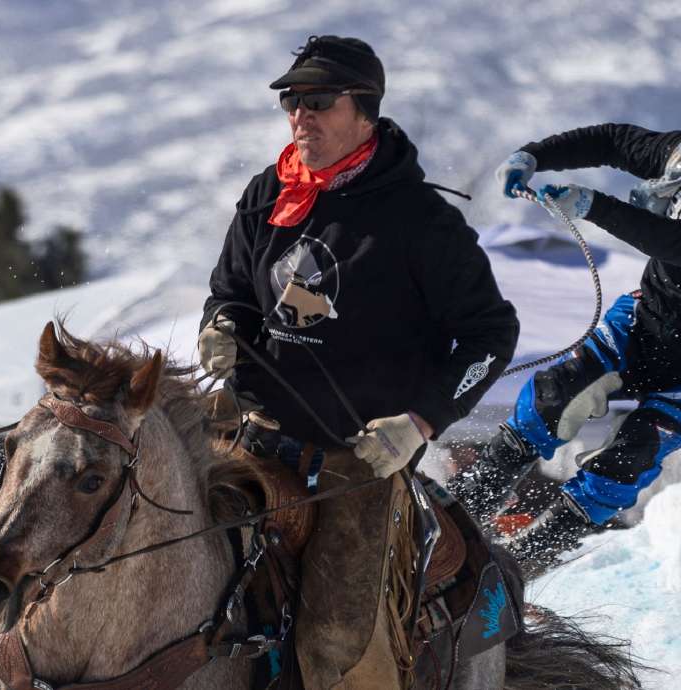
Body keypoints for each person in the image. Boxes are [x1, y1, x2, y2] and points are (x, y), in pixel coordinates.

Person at [198, 35, 519, 688]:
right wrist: (220, 327)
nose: (299, 115)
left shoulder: (422, 221)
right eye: (291, 100)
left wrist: (421, 423)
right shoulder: (269, 193)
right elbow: (230, 291)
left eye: (318, 100)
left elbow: (490, 335)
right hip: (252, 433)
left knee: (334, 638)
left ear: (365, 112)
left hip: (358, 459)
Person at [449, 50, 681, 573]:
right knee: (552, 401)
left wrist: (595, 207)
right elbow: (614, 140)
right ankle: (458, 512)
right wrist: (533, 154)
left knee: (627, 457)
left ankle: (527, 562)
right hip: (643, 321)